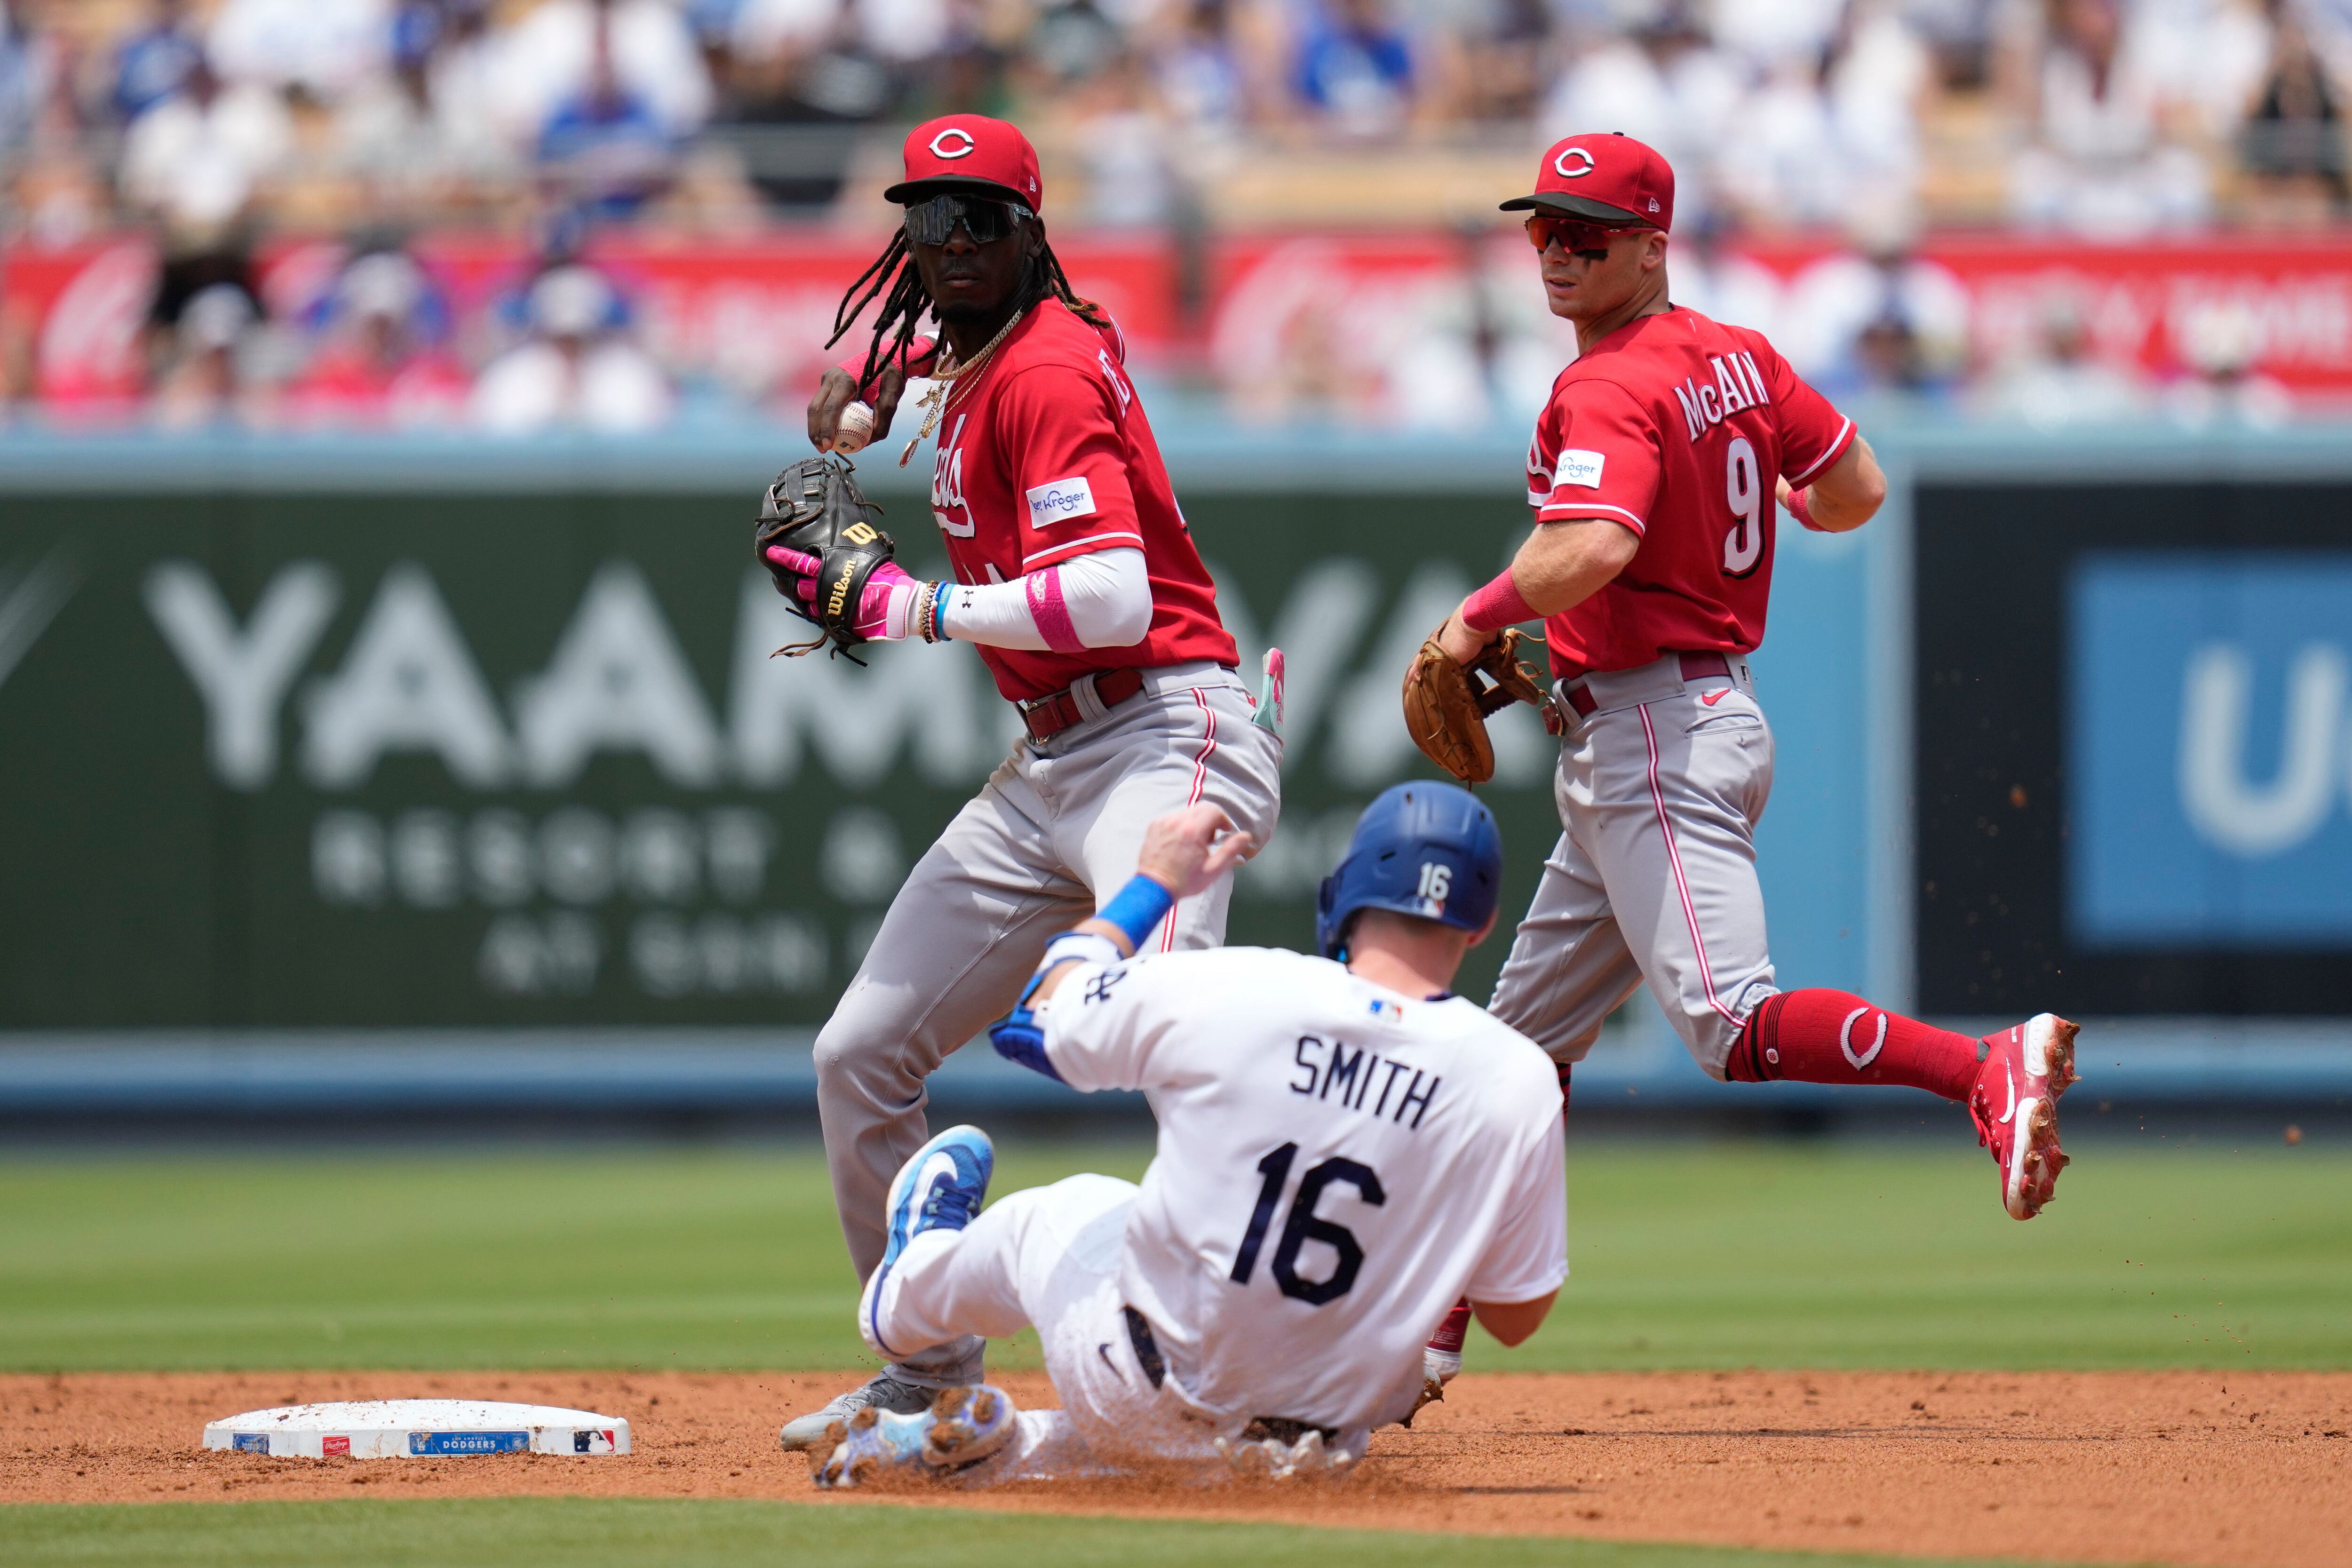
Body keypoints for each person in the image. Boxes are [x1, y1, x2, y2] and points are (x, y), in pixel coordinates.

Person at [1407, 131, 2079, 1392]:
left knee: (1728, 1025)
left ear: (1653, 244)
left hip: (1658, 731)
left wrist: (1476, 616)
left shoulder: (1609, 381)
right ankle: (1424, 1336)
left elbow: (1593, 544)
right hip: (1669, 715)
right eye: (1544, 229)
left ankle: (1984, 1064)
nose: (1557, 251)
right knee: (1510, 1054)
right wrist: (1725, 533)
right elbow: (1856, 487)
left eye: (1587, 233)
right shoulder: (1741, 354)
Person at [775, 114, 1282, 1451]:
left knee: (1165, 1035)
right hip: (1050, 758)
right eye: (925, 221)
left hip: (1163, 734)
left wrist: (912, 607)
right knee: (859, 1052)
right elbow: (940, 384)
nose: (947, 245)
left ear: (1026, 231)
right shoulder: (988, 357)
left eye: (976, 219)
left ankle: (1269, 1356)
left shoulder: (1047, 367)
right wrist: (864, 412)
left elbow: (1113, 595)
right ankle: (935, 1370)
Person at [803, 792, 1566, 1488]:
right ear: (1483, 922)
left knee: (1065, 1210)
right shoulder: (1516, 1076)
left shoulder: (1245, 986)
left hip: (1130, 1381)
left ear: (1347, 888)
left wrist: (1153, 885)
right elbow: (1514, 1314)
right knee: (1235, 1418)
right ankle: (999, 1451)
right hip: (1319, 1449)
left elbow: (1032, 1025)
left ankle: (900, 1302)